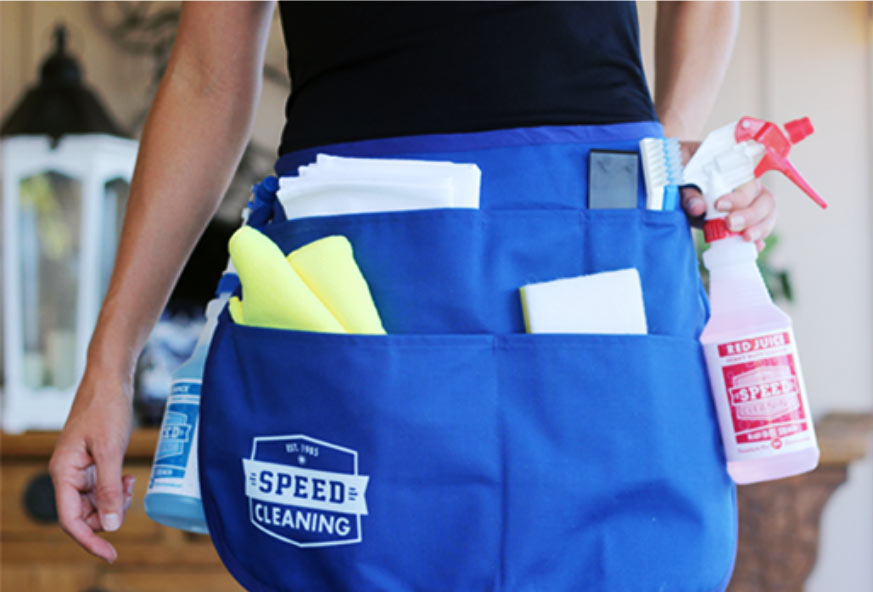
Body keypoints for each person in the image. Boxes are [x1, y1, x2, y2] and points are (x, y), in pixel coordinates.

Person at [50, 0, 775, 570]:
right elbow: (206, 75)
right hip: (354, 267)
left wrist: (662, 167)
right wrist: (108, 365)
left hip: (594, 232)